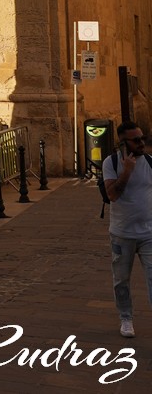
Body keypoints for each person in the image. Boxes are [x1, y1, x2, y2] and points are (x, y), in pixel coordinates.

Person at [102, 120, 152, 338]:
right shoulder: (111, 163)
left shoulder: (150, 162)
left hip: (149, 233)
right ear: (123, 143)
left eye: (142, 138)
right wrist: (127, 171)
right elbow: (113, 195)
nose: (141, 143)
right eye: (136, 140)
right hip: (122, 233)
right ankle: (126, 318)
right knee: (121, 279)